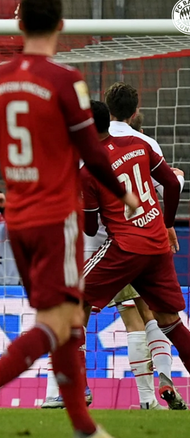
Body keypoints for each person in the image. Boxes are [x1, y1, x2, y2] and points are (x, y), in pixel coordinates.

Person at [0, 1, 139, 437]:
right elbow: (92, 152)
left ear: (18, 25)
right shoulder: (65, 80)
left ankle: (83, 425)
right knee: (57, 323)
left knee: (70, 318)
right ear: (61, 25)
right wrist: (123, 192)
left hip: (17, 220)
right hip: (58, 220)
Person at [42, 96, 185, 410]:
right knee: (165, 320)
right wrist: (168, 223)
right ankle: (152, 396)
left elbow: (91, 228)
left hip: (120, 248)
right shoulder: (140, 144)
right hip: (157, 242)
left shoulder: (87, 168)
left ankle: (77, 391)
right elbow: (173, 185)